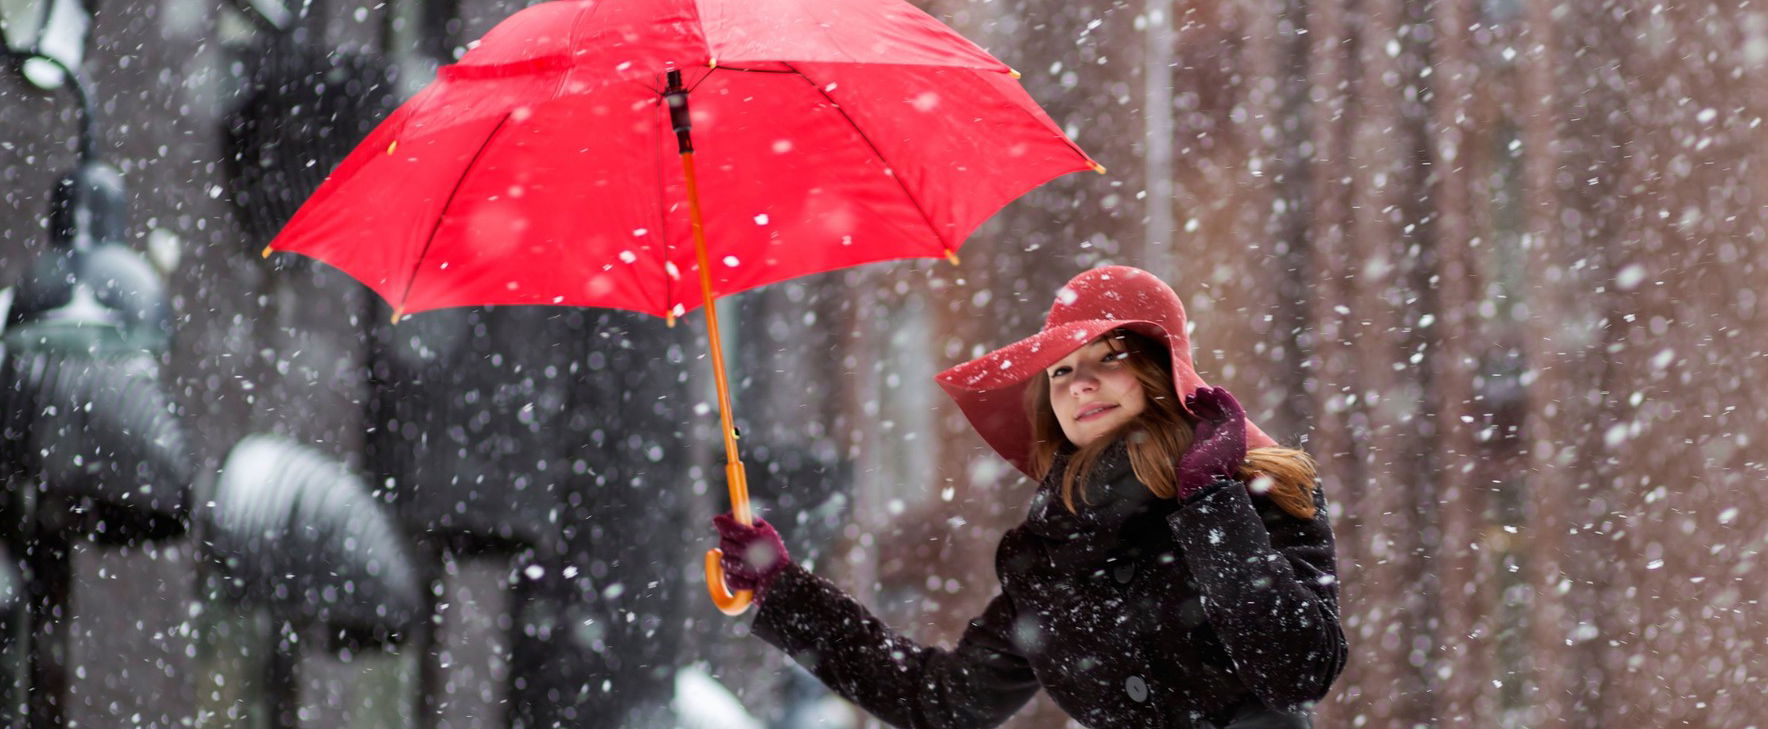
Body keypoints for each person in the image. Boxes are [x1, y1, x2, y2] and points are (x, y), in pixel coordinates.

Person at [713, 266, 1346, 729]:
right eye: (1062, 369)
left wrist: (1210, 505)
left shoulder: (1259, 494)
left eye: (1109, 357)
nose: (1080, 384)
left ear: (1161, 375)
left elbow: (1296, 672)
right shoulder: (1049, 554)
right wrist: (785, 589)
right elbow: (943, 702)